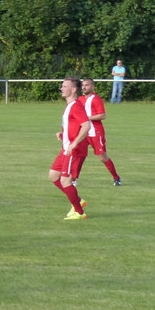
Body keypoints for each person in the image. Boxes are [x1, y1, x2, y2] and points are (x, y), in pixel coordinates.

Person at [50, 76, 91, 220]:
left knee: (65, 181)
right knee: (53, 176)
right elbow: (74, 126)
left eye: (65, 86)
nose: (62, 88)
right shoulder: (69, 106)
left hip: (73, 150)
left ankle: (79, 212)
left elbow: (86, 125)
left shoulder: (76, 105)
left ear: (73, 89)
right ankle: (78, 201)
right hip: (66, 148)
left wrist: (74, 143)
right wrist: (63, 134)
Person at [80, 77, 122, 186]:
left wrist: (86, 118)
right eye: (83, 85)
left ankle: (116, 177)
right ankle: (73, 179)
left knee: (102, 157)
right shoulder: (80, 99)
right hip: (83, 132)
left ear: (93, 87)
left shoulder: (96, 99)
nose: (84, 87)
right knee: (78, 155)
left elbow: (102, 115)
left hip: (95, 132)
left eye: (87, 85)